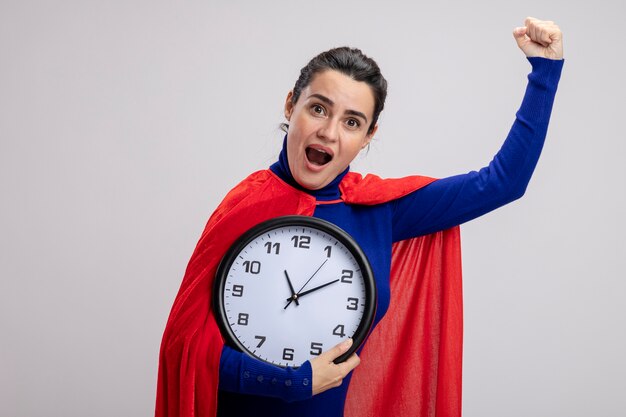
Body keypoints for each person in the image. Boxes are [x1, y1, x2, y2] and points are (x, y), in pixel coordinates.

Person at [156, 17, 564, 417]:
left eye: (351, 122)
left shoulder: (379, 209)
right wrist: (291, 381)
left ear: (368, 135)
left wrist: (544, 71)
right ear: (290, 105)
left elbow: (502, 183)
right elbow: (185, 353)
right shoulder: (245, 207)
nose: (329, 133)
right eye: (318, 108)